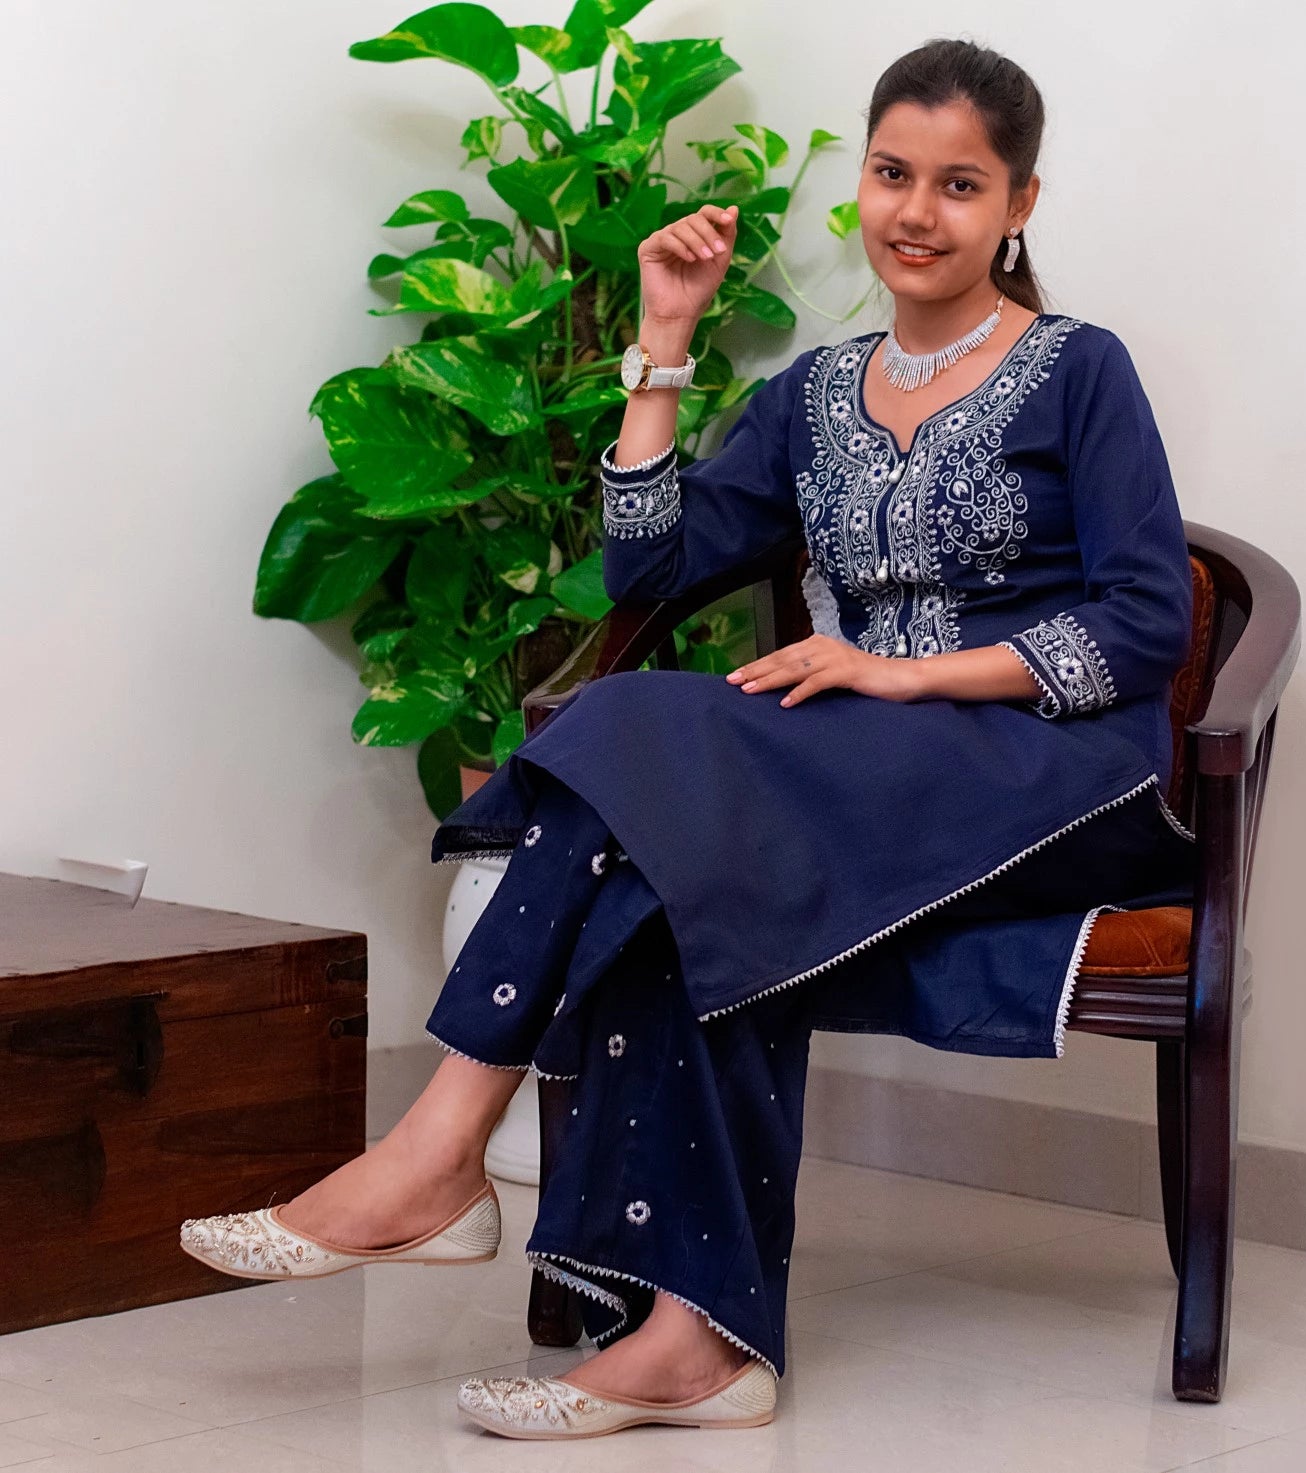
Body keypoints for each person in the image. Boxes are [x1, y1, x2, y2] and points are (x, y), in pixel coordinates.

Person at [179, 37, 1197, 1441]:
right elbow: (647, 571)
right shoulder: (817, 393)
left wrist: (904, 679)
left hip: (1050, 770)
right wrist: (661, 341)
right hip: (857, 775)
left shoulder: (1081, 371)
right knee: (667, 846)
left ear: (1018, 203)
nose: (916, 210)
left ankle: (436, 1158)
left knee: (650, 734)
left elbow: (1148, 622)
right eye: (892, 172)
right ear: (862, 180)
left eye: (958, 185)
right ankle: (691, 1344)